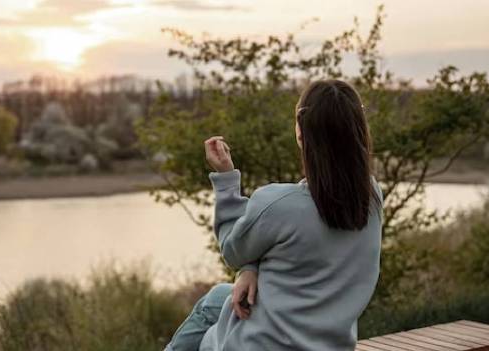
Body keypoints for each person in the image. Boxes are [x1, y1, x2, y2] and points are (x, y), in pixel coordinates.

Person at [163, 79, 384, 351]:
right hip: (329, 344)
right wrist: (251, 269)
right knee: (219, 296)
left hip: (260, 345)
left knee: (209, 307)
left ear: (301, 133)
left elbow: (233, 249)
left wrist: (226, 179)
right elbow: (296, 242)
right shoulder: (371, 197)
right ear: (359, 131)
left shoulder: (278, 204)